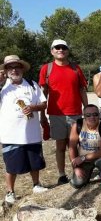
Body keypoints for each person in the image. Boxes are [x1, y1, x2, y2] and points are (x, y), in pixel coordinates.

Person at [38, 39, 88, 185]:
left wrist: (88, 109)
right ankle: (61, 174)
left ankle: (77, 171)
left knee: (75, 144)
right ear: (52, 51)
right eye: (57, 47)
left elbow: (82, 90)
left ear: (67, 50)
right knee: (60, 145)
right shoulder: (46, 69)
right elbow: (43, 94)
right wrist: (42, 115)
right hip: (55, 114)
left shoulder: (75, 68)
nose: (61, 50)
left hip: (75, 113)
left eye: (63, 47)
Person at [0, 55, 48, 205]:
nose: (14, 70)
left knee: (35, 162)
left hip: (31, 133)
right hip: (11, 134)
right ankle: (10, 192)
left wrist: (33, 107)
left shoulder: (32, 85)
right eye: (10, 67)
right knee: (11, 166)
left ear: (22, 68)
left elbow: (44, 104)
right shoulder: (3, 87)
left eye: (17, 66)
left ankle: (36, 184)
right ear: (6, 70)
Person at [68, 104, 101, 188]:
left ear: (99, 115)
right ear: (83, 116)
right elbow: (72, 147)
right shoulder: (77, 125)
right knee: (77, 183)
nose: (92, 117)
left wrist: (83, 158)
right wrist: (75, 167)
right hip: (84, 161)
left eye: (95, 114)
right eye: (88, 115)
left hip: (100, 158)